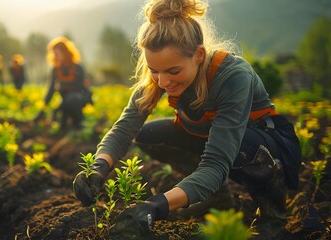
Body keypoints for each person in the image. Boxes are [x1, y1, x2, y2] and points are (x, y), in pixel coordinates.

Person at [73, 0, 302, 238]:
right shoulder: (161, 75)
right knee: (150, 135)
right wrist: (98, 168)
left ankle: (273, 216)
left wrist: (155, 206)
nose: (162, 81)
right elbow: (124, 128)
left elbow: (216, 163)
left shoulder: (233, 76)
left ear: (199, 55)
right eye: (154, 70)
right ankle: (218, 198)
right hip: (215, 140)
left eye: (173, 72)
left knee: (245, 147)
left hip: (267, 147)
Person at [35, 37, 93, 129]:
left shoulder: (78, 67)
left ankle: (79, 124)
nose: (56, 55)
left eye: (58, 53)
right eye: (54, 53)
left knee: (72, 101)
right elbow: (51, 89)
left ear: (66, 52)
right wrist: (42, 109)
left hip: (78, 100)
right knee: (62, 126)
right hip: (65, 102)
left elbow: (80, 88)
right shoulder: (56, 69)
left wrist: (58, 108)